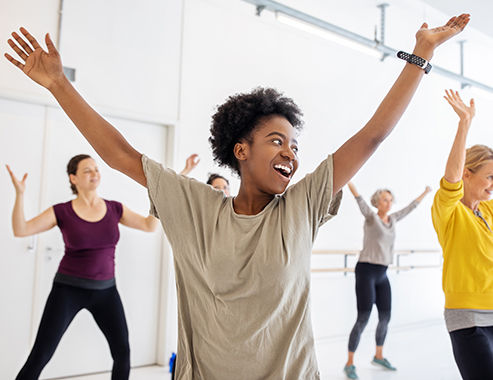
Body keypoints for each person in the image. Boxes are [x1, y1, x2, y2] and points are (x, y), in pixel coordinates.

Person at [4, 15, 469, 379]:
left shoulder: (301, 208)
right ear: (240, 150)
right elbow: (120, 154)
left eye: (293, 145)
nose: (290, 152)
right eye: (276, 141)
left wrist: (421, 54)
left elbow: (371, 138)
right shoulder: (195, 207)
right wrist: (59, 85)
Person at [6, 154, 159, 380]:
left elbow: (149, 226)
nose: (94, 174)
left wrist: (159, 198)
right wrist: (20, 195)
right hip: (68, 291)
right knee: (40, 355)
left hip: (107, 292)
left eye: (96, 169)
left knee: (122, 353)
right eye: (87, 170)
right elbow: (21, 230)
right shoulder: (61, 211)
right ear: (73, 178)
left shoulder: (114, 208)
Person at [431, 90, 493, 380]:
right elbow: (451, 178)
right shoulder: (449, 211)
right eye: (490, 176)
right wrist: (464, 125)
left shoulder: (489, 211)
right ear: (468, 174)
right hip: (468, 319)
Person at [344, 182, 431, 379]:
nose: (389, 203)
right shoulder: (371, 218)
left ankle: (378, 355)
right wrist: (349, 181)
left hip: (383, 273)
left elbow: (410, 208)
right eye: (385, 199)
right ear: (377, 202)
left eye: (391, 200)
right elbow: (359, 200)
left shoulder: (392, 219)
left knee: (385, 317)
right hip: (366, 271)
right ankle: (350, 362)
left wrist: (425, 192)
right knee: (363, 318)